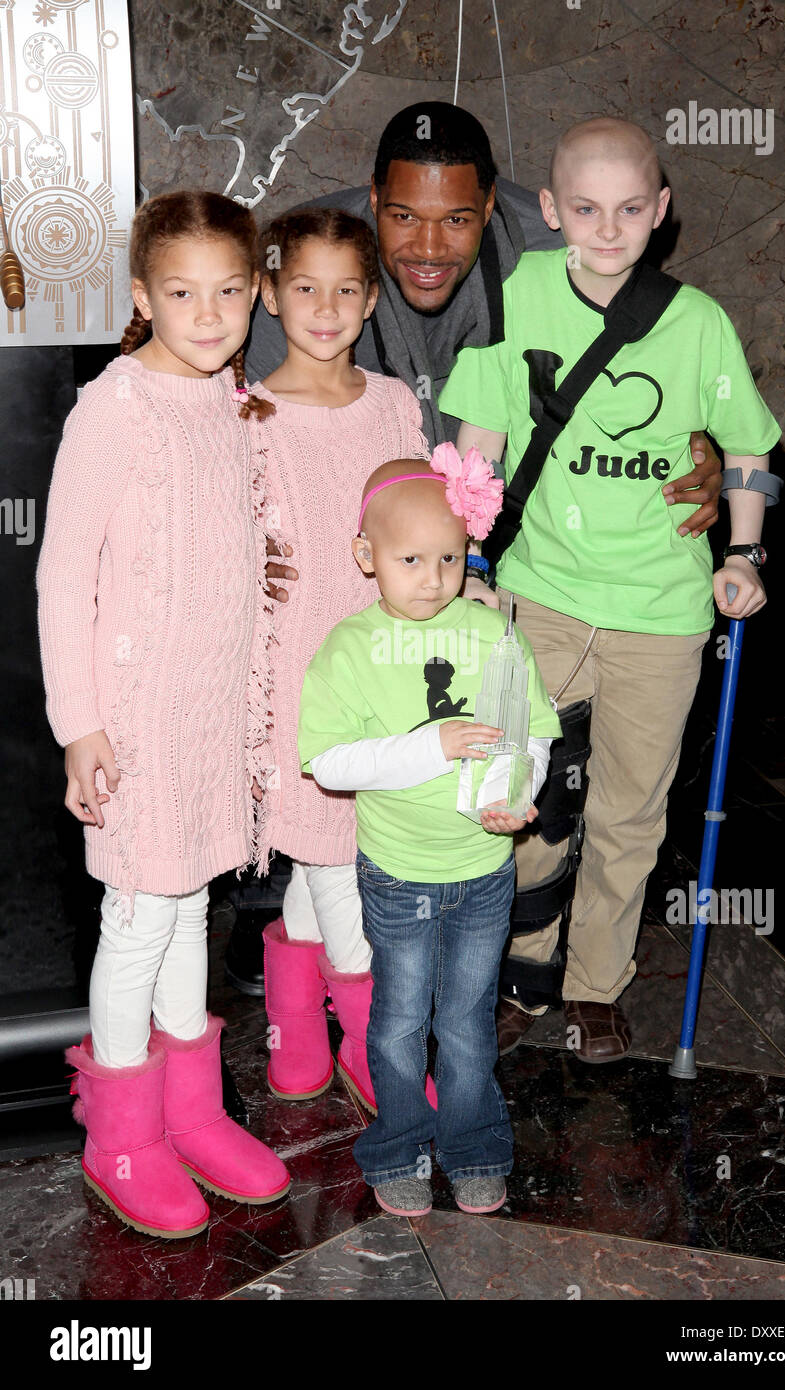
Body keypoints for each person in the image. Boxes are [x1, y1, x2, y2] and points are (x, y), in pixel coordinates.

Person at [229, 101, 723, 998]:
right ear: (370, 198)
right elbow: (222, 407)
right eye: (402, 215)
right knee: (333, 802)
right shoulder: (314, 270)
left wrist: (711, 447)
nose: (426, 245)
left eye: (457, 218)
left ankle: (520, 960)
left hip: (485, 576)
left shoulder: (558, 245)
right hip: (336, 583)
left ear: (499, 208)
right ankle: (342, 984)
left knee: (518, 770)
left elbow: (667, 356)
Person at [439, 117, 782, 1061]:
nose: (606, 229)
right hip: (538, 591)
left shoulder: (697, 320)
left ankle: (595, 984)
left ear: (660, 211)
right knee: (521, 794)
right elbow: (481, 442)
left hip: (661, 610)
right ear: (549, 210)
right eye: (584, 209)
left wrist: (744, 557)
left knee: (631, 807)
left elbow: (749, 443)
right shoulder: (511, 297)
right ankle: (525, 966)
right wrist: (469, 563)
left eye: (630, 209)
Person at [36, 191, 291, 1239]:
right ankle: (122, 1133)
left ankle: (189, 1111)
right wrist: (79, 722)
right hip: (137, 715)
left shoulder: (232, 401)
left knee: (193, 907)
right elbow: (63, 576)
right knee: (140, 918)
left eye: (230, 292)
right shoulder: (115, 406)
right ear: (143, 297)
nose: (209, 313)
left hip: (209, 712)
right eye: (182, 293)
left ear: (254, 295)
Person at [297, 451, 561, 1216]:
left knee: (470, 1023)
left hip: (482, 868)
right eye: (409, 559)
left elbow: (532, 735)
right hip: (398, 875)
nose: (431, 576)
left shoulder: (490, 633)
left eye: (448, 557)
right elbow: (330, 761)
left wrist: (515, 797)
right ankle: (399, 1146)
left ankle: (475, 1147)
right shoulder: (348, 648)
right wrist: (433, 745)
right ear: (365, 556)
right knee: (399, 1023)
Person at [251, 206, 436, 1114]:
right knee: (332, 853)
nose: (325, 308)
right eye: (304, 288)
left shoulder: (395, 404)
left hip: (383, 659)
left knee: (340, 845)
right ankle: (379, 1046)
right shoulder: (247, 412)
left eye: (345, 290)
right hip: (292, 667)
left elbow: (421, 522)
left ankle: (291, 1025)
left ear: (369, 302)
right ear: (270, 294)